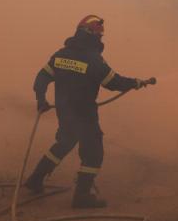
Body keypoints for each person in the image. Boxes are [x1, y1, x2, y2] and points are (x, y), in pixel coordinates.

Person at [25, 14, 153, 209]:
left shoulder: (61, 54)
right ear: (90, 34)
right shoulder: (93, 60)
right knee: (93, 154)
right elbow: (113, 82)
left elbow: (41, 76)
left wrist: (41, 99)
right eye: (98, 35)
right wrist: (135, 83)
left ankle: (36, 179)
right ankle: (82, 196)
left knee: (65, 142)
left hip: (64, 111)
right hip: (84, 114)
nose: (100, 39)